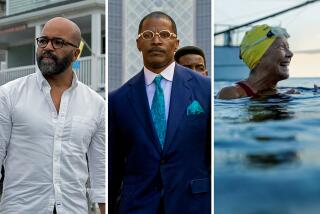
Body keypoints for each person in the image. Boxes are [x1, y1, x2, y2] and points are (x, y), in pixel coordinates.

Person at [109, 11, 211, 213]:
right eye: (147, 35)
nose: (156, 40)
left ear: (176, 43)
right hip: (137, 206)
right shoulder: (117, 100)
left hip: (194, 204)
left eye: (164, 34)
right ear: (138, 44)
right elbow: (113, 167)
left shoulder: (205, 88)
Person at [0, 17, 105, 214]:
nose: (48, 47)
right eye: (43, 41)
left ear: (76, 54)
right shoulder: (8, 96)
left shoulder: (96, 105)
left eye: (58, 42)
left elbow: (101, 172)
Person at [217, 24, 293, 99]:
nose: (290, 54)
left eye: (288, 48)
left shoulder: (287, 93)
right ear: (258, 56)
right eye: (282, 47)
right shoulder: (231, 94)